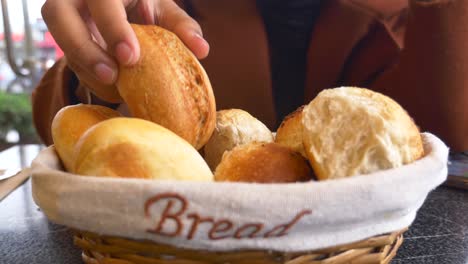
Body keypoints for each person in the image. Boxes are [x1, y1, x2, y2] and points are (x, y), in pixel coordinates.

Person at [33, 0, 467, 153]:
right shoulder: (163, 7)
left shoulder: (401, 17)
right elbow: (53, 124)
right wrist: (95, 65)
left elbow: (448, 142)